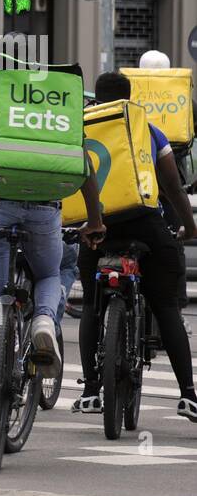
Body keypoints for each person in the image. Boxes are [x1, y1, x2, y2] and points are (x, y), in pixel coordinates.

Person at [0, 78, 106, 437]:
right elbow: (83, 166)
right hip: (44, 211)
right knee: (50, 274)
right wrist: (95, 221)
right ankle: (44, 321)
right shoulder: (60, 97)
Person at [72, 71, 197, 420]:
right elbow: (172, 186)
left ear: (95, 97)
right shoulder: (147, 128)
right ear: (129, 97)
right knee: (166, 305)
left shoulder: (80, 126)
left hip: (97, 229)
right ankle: (188, 394)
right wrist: (188, 225)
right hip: (145, 225)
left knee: (93, 306)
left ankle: (91, 389)